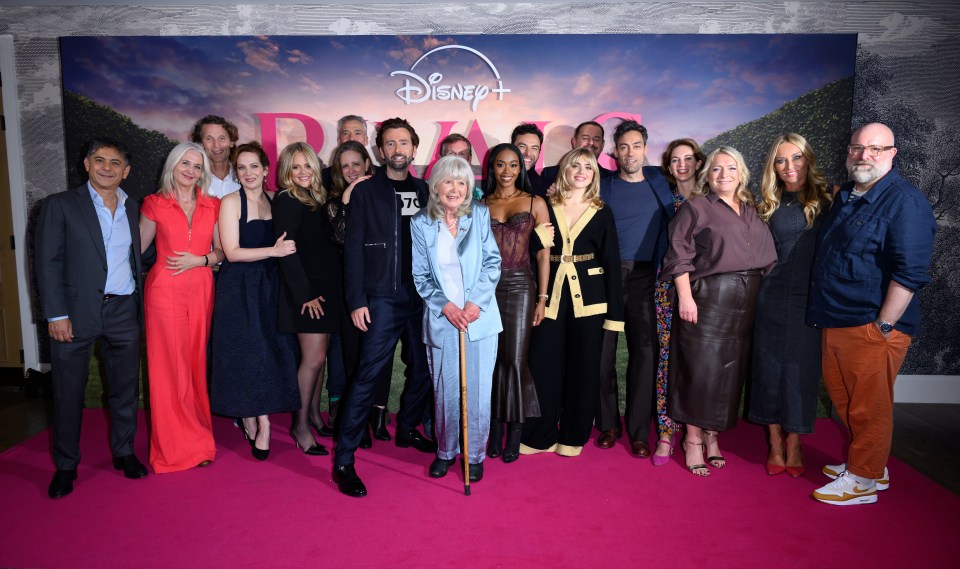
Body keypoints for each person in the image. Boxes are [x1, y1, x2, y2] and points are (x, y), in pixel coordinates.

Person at [808, 123, 936, 505]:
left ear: (893, 153)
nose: (865, 155)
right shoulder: (847, 195)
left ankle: (862, 481)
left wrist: (883, 326)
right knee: (846, 402)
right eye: (858, 148)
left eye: (876, 149)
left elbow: (911, 272)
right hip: (837, 319)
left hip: (872, 325)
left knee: (869, 407)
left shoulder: (905, 202)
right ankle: (872, 466)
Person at [37, 138, 147, 498]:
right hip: (74, 313)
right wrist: (56, 314)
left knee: (125, 389)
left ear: (126, 171)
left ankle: (124, 452)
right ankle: (66, 466)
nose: (107, 168)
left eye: (115, 163)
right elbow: (47, 263)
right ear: (86, 164)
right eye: (99, 160)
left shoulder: (134, 208)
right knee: (68, 392)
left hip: (123, 310)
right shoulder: (59, 205)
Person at [334, 117, 437, 497]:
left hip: (422, 297)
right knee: (366, 376)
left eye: (404, 143)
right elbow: (353, 251)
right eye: (390, 143)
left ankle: (407, 428)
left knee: (425, 370)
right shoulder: (365, 191)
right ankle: (344, 460)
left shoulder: (426, 191)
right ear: (381, 150)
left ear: (414, 148)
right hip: (381, 298)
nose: (397, 149)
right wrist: (357, 299)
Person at [660, 146, 777, 477]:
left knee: (729, 371)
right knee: (701, 371)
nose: (724, 174)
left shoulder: (751, 210)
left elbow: (766, 258)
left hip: (746, 300)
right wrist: (685, 297)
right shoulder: (696, 207)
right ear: (706, 174)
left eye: (731, 168)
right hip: (708, 297)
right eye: (716, 169)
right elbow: (678, 254)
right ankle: (693, 439)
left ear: (741, 172)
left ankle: (713, 436)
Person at [519, 148, 624, 457]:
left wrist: (614, 315)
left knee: (584, 366)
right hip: (548, 297)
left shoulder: (602, 210)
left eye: (588, 167)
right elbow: (528, 250)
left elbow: (611, 260)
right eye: (575, 165)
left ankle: (573, 437)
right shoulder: (545, 206)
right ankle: (539, 435)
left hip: (590, 300)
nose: (581, 171)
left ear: (594, 174)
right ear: (564, 170)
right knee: (542, 364)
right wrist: (540, 236)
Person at [412, 155, 502, 482]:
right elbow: (421, 276)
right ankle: (446, 452)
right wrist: (446, 307)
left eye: (462, 182)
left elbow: (492, 263)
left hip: (479, 319)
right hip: (442, 319)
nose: (455, 188)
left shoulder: (479, 214)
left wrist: (475, 303)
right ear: (435, 185)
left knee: (477, 390)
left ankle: (474, 454)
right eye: (448, 181)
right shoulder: (420, 223)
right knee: (445, 390)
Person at [209, 142, 301, 461]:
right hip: (239, 286)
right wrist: (273, 252)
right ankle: (259, 421)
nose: (248, 173)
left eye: (254, 167)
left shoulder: (276, 200)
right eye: (242, 167)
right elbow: (231, 253)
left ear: (265, 170)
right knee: (244, 353)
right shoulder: (230, 202)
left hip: (272, 287)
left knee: (271, 352)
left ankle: (254, 414)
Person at [749, 133, 832, 477]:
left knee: (801, 371)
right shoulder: (765, 203)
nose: (789, 167)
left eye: (796, 158)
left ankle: (795, 441)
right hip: (770, 296)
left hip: (809, 300)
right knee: (767, 370)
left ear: (808, 159)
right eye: (781, 160)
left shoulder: (828, 202)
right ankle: (773, 441)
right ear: (773, 166)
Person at [595, 120, 678, 458]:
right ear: (615, 152)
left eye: (636, 145)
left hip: (647, 278)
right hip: (608, 278)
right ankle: (608, 425)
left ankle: (640, 431)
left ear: (646, 148)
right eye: (624, 146)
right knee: (603, 357)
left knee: (646, 354)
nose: (630, 152)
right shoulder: (604, 187)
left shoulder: (661, 183)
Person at [139, 142, 223, 473]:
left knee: (193, 365)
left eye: (197, 166)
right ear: (172, 166)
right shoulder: (155, 204)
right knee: (167, 369)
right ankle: (172, 449)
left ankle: (199, 441)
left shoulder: (213, 205)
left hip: (201, 288)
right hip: (164, 291)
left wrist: (201, 260)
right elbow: (136, 247)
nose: (190, 170)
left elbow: (222, 251)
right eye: (184, 163)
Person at [482, 143, 553, 462]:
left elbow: (543, 254)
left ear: (520, 169)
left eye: (513, 165)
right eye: (501, 164)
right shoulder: (482, 204)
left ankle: (516, 431)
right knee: (493, 360)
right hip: (488, 289)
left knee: (516, 359)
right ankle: (495, 429)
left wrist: (543, 297)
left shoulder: (536, 202)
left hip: (523, 286)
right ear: (492, 168)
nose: (507, 171)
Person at [272, 142, 340, 457]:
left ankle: (313, 416)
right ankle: (300, 428)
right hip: (306, 294)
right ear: (286, 170)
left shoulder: (317, 197)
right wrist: (305, 295)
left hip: (324, 291)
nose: (302, 172)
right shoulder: (287, 199)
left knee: (319, 358)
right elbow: (287, 253)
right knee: (312, 359)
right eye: (295, 166)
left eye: (307, 165)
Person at [651, 138, 704, 466]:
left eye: (688, 158)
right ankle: (667, 432)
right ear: (668, 166)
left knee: (702, 363)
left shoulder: (715, 198)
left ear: (699, 162)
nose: (682, 164)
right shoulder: (664, 201)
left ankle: (700, 433)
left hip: (708, 290)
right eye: (675, 160)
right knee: (667, 359)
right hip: (667, 288)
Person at [324, 140, 375, 438]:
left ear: (368, 164)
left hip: (379, 287)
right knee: (352, 355)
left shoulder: (380, 196)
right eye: (345, 166)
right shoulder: (334, 203)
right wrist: (348, 196)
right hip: (350, 287)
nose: (352, 170)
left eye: (357, 163)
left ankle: (370, 415)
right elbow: (340, 238)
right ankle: (355, 423)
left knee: (373, 355)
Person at [540, 121, 615, 191]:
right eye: (585, 138)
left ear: (603, 145)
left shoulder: (612, 178)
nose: (591, 142)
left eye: (596, 139)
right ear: (574, 142)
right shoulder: (550, 174)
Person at [190, 115, 241, 199]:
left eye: (222, 138)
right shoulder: (192, 177)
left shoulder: (244, 175)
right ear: (200, 144)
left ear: (231, 142)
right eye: (209, 139)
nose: (216, 145)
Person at [321, 114, 370, 190]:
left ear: (366, 140)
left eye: (357, 133)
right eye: (345, 133)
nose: (351, 138)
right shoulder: (324, 177)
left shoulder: (380, 175)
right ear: (339, 140)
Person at [511, 123, 545, 197]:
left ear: (539, 153)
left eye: (534, 148)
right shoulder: (498, 180)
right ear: (512, 148)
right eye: (522, 146)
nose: (528, 153)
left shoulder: (545, 188)